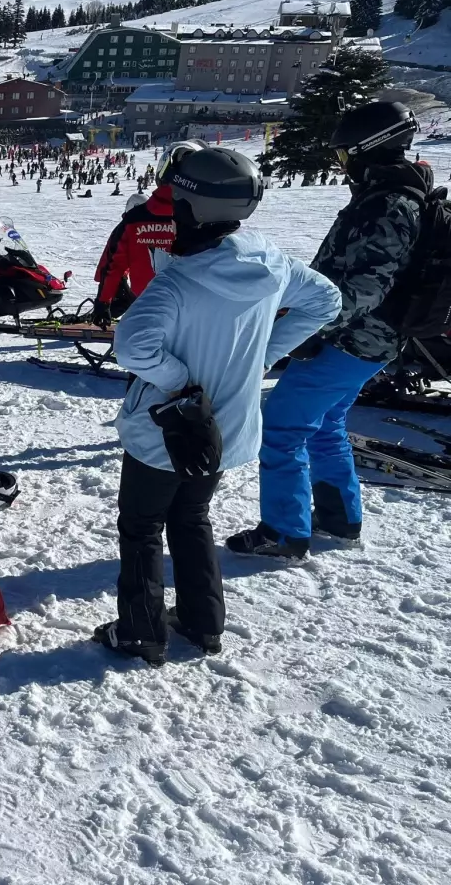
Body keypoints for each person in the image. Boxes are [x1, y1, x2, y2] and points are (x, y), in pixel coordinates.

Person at [93, 148, 340, 667]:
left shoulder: (178, 283)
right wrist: (264, 355)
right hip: (226, 429)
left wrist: (181, 383)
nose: (171, 211)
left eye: (178, 202)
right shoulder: (270, 261)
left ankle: (140, 631)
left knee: (142, 527)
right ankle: (203, 623)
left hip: (167, 431)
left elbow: (132, 346)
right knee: (193, 517)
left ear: (195, 207)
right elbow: (325, 300)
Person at [226, 101, 427, 559]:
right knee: (325, 424)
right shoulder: (388, 197)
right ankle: (340, 518)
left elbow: (365, 287)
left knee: (280, 426)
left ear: (368, 150)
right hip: (369, 340)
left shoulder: (389, 205)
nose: (343, 165)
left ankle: (284, 532)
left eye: (345, 155)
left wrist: (310, 328)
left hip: (354, 340)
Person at [92, 141, 204, 327]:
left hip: (145, 308)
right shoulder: (205, 222)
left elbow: (112, 265)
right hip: (193, 313)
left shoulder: (134, 219)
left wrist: (103, 303)